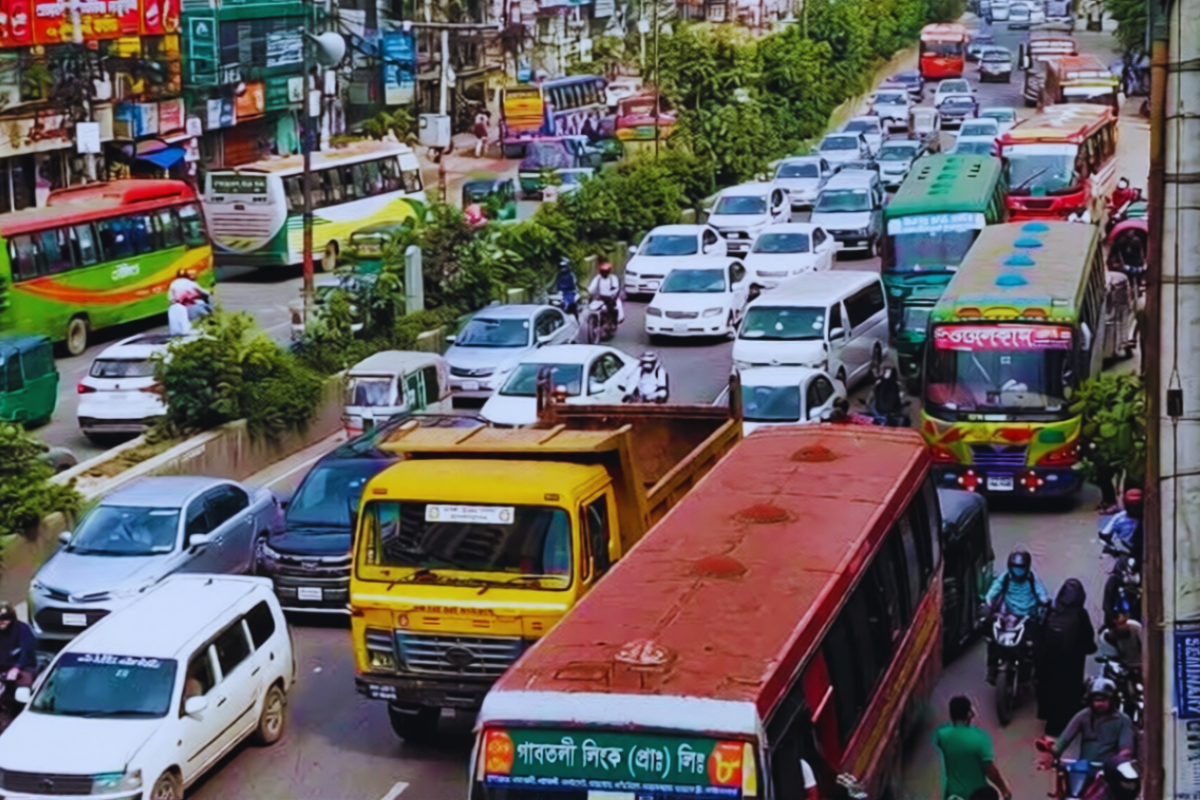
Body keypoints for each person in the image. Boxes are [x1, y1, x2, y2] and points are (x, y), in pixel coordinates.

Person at [1037, 578, 1097, 736]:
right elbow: (1088, 637)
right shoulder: (1080, 614)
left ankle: (1050, 723)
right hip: (1071, 664)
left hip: (1048, 662)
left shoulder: (1051, 610)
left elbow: (1040, 633)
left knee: (1049, 690)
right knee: (1069, 693)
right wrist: (1089, 648)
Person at [984, 548, 1052, 683]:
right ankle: (992, 668)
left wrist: (1044, 601)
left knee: (1037, 644)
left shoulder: (1032, 578)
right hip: (1009, 615)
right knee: (992, 640)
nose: (1017, 571)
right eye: (1015, 567)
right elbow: (994, 590)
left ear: (1026, 567)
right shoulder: (1005, 577)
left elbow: (1041, 593)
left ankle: (1037, 674)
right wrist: (988, 602)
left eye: (1020, 568)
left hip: (1028, 616)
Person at [1049, 677, 1135, 780]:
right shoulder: (1082, 716)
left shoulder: (1123, 720)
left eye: (1104, 700)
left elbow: (1126, 749)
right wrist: (1052, 754)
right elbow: (1064, 739)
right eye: (1096, 700)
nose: (1099, 704)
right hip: (1084, 768)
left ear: (1113, 700)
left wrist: (1117, 763)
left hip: (1108, 770)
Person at [933, 696, 1012, 800]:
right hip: (977, 795)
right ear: (969, 714)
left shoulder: (942, 735)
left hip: (953, 795)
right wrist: (1004, 789)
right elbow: (990, 770)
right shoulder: (981, 738)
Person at [0, 602, 37, 721]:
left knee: (23, 687)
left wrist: (17, 667)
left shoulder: (22, 629)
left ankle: (22, 713)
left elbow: (27, 650)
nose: (1, 623)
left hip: (21, 667)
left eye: (5, 620)